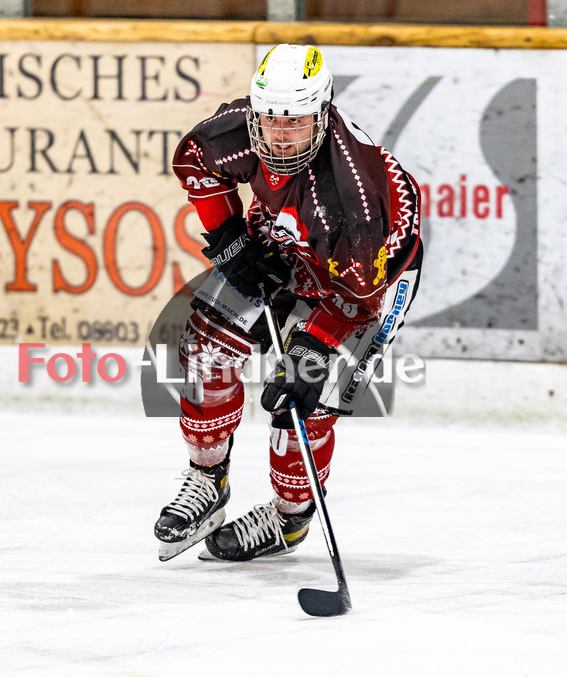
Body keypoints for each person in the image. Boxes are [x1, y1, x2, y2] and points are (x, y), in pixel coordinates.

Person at [154, 44, 423, 562]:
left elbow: (358, 302)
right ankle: (208, 479)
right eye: (271, 120)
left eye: (296, 122)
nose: (279, 135)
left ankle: (289, 519)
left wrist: (313, 350)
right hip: (291, 241)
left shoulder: (352, 201)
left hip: (369, 282)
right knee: (206, 349)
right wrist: (230, 238)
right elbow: (194, 159)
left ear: (322, 116)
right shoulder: (241, 132)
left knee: (304, 405)